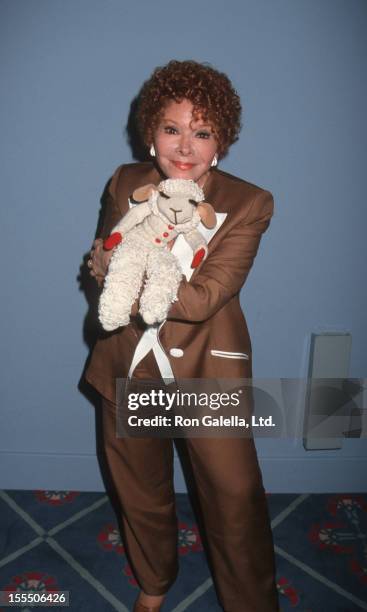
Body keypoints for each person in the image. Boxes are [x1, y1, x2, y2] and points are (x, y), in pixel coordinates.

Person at [85, 60, 279, 612]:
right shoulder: (125, 183)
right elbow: (101, 258)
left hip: (206, 372)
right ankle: (154, 581)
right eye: (172, 129)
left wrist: (125, 268)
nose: (185, 147)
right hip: (128, 361)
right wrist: (105, 264)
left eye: (203, 131)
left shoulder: (249, 203)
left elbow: (202, 298)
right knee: (141, 495)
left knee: (234, 501)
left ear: (222, 141)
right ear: (151, 133)